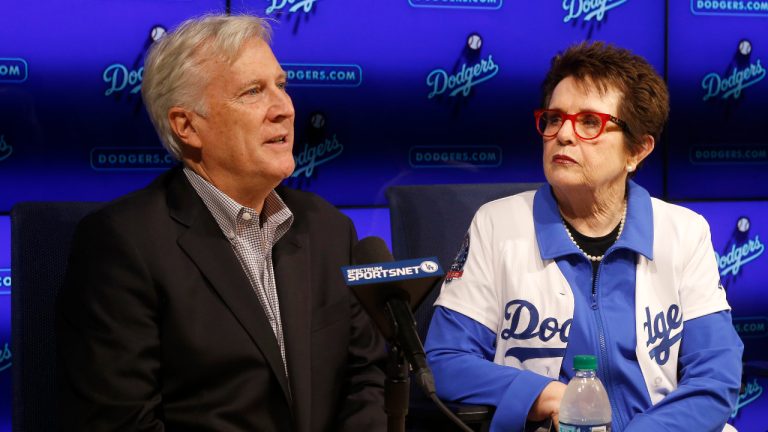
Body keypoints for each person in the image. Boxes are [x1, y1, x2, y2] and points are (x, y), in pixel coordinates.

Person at [57, 14, 387, 431]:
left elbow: (365, 377)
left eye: (281, 86)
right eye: (253, 92)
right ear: (187, 126)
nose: (283, 109)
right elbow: (123, 422)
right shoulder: (122, 245)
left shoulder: (327, 228)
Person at [425, 41, 743, 432]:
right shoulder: (497, 226)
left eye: (590, 122)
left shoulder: (684, 232)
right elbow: (444, 360)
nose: (563, 135)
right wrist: (539, 394)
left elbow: (716, 377)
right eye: (554, 119)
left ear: (637, 151)